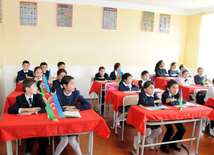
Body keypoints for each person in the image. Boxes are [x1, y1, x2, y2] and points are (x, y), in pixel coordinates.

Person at [8, 79, 48, 155]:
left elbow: (45, 108)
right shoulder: (20, 98)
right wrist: (25, 110)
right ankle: (28, 150)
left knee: (43, 136)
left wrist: (32, 111)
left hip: (39, 123)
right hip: (27, 125)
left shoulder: (38, 96)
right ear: (27, 89)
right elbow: (11, 109)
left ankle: (41, 151)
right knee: (31, 133)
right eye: (34, 86)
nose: (37, 88)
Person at [55, 76, 91, 155]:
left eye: (74, 83)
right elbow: (55, 107)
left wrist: (74, 107)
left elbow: (88, 105)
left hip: (73, 120)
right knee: (64, 140)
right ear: (64, 85)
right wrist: (66, 109)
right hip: (61, 120)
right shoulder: (58, 93)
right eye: (72, 84)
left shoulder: (76, 93)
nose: (74, 85)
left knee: (71, 139)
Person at [160, 80, 187, 153]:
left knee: (182, 129)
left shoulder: (177, 93)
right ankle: (163, 145)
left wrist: (174, 100)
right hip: (166, 116)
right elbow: (170, 103)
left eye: (177, 88)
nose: (176, 90)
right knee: (171, 130)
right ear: (168, 88)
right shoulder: (165, 94)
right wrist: (177, 101)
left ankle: (173, 143)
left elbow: (184, 101)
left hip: (175, 115)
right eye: (173, 88)